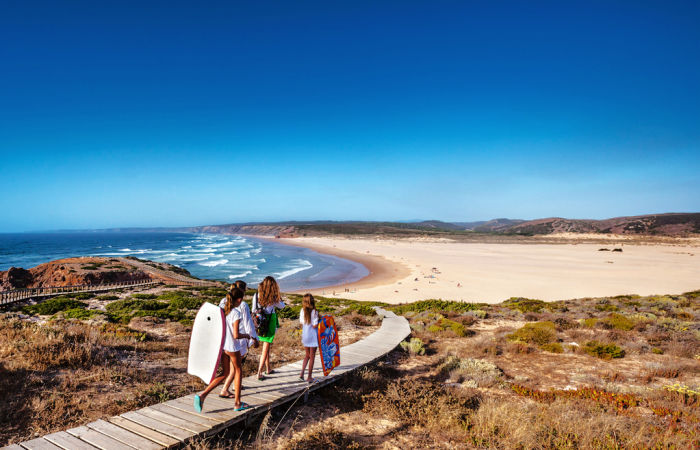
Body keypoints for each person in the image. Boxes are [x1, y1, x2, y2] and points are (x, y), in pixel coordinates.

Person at [220, 287, 253, 411]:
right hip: (233, 346)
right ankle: (238, 403)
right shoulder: (236, 313)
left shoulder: (224, 310)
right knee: (238, 371)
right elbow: (236, 335)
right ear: (239, 299)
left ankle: (207, 393)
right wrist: (247, 336)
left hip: (224, 345)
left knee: (225, 372)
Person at [253, 276, 285, 380]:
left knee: (266, 346)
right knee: (266, 347)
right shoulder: (273, 297)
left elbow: (253, 309)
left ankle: (268, 368)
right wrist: (279, 297)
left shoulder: (256, 295)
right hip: (269, 321)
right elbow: (282, 306)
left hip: (259, 321)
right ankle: (259, 373)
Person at [299, 293, 319, 383]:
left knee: (307, 355)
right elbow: (315, 325)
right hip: (313, 335)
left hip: (305, 335)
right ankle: (309, 377)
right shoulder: (314, 311)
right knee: (312, 356)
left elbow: (301, 323)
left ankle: (301, 374)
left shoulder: (302, 311)